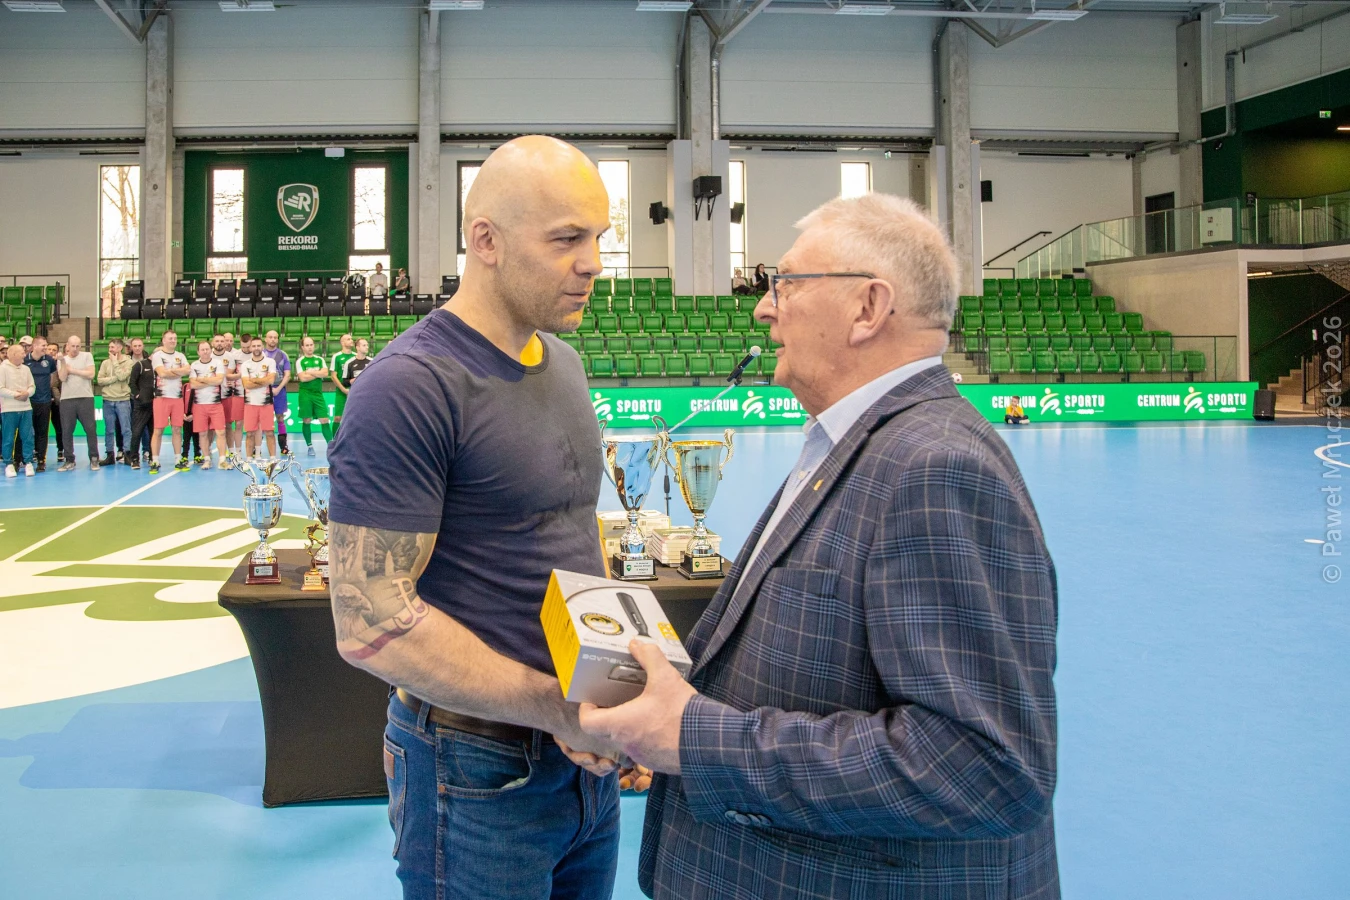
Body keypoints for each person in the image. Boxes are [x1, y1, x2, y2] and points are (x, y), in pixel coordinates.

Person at [576, 193, 1060, 900]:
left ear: (868, 307)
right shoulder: (857, 445)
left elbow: (982, 768)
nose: (763, 309)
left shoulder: (936, 467)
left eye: (786, 284)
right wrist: (655, 715)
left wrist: (694, 738)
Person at [327, 136, 633, 900]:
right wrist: (556, 707)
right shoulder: (409, 386)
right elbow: (369, 621)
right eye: (567, 239)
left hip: (582, 761)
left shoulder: (564, 363)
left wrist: (614, 689)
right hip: (473, 773)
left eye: (599, 238)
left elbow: (574, 533)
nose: (593, 263)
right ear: (486, 240)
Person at [150, 330, 191, 474]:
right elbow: (162, 373)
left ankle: (178, 460)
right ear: (164, 340)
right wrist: (178, 371)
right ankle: (155, 461)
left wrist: (171, 372)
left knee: (177, 429)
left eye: (175, 338)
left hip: (177, 398)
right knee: (158, 430)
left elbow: (187, 370)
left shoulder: (181, 355)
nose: (173, 340)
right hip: (161, 397)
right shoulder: (158, 356)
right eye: (170, 338)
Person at [56, 336, 99, 472]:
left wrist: (73, 370)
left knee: (90, 429)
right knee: (67, 431)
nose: (75, 349)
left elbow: (91, 374)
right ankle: (69, 460)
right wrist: (63, 363)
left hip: (85, 398)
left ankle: (94, 458)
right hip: (67, 399)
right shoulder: (62, 360)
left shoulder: (87, 356)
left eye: (78, 346)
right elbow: (62, 377)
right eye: (73, 346)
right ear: (67, 346)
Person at [188, 340, 227, 469]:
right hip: (199, 405)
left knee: (221, 432)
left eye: (207, 349)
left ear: (211, 350)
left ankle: (222, 460)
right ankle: (207, 460)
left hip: (215, 404)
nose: (205, 352)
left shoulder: (217, 363)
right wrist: (211, 380)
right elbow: (193, 384)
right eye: (202, 350)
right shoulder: (194, 365)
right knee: (203, 433)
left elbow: (219, 380)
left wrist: (202, 379)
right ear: (198, 352)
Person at [0, 342, 36, 477]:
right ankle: (8, 464)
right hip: (9, 410)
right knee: (8, 438)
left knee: (27, 437)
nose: (24, 355)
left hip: (26, 408)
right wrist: (16, 395)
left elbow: (32, 387)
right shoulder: (3, 369)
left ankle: (28, 462)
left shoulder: (26, 369)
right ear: (14, 354)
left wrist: (27, 393)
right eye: (22, 352)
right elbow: (1, 389)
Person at [97, 338, 134, 467]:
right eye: (109, 347)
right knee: (109, 430)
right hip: (108, 399)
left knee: (126, 429)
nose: (110, 349)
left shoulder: (128, 362)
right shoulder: (105, 363)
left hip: (123, 399)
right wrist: (114, 378)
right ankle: (109, 455)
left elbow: (123, 377)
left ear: (120, 348)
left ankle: (127, 454)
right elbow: (100, 380)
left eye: (112, 347)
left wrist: (115, 363)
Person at [239, 336, 278, 458]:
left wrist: (254, 380)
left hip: (266, 403)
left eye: (258, 345)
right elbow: (246, 384)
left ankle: (273, 459)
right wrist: (263, 380)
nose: (256, 348)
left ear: (262, 347)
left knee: (270, 433)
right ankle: (248, 460)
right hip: (250, 404)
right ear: (250, 348)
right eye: (254, 346)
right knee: (249, 434)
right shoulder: (245, 365)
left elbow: (271, 380)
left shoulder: (270, 362)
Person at [294, 336, 333, 456]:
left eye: (311, 345)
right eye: (307, 345)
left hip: (318, 394)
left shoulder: (320, 359)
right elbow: (303, 378)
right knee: (307, 420)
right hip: (305, 393)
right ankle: (310, 446)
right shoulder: (300, 361)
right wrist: (318, 373)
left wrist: (310, 372)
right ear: (302, 347)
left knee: (324, 419)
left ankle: (331, 447)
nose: (310, 347)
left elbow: (325, 373)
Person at [23, 336, 56, 472]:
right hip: (28, 402)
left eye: (46, 345)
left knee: (42, 432)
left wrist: (46, 392)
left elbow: (53, 378)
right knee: (25, 432)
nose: (45, 348)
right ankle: (21, 459)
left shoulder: (49, 360)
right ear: (35, 346)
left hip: (44, 402)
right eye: (43, 345)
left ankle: (41, 459)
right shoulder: (24, 360)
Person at [126, 338, 154, 470]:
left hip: (155, 404)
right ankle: (134, 459)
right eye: (135, 345)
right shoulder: (140, 365)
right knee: (137, 431)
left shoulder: (158, 367)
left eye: (139, 345)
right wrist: (138, 395)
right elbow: (132, 383)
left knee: (154, 432)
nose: (137, 348)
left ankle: (153, 457)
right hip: (141, 405)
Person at [262, 330, 292, 455]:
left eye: (275, 337)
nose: (273, 339)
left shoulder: (283, 355)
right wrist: (267, 388)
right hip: (263, 390)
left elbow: (287, 375)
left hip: (279, 389)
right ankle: (256, 448)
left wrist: (278, 389)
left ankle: (283, 447)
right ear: (265, 339)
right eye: (270, 337)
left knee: (280, 417)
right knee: (261, 419)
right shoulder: (260, 354)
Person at [218, 333, 245, 458]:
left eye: (230, 340)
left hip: (230, 394)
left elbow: (233, 373)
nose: (228, 342)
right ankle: (207, 453)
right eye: (226, 340)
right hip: (214, 395)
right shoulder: (211, 354)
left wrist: (232, 380)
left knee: (230, 424)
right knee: (212, 428)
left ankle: (232, 451)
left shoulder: (234, 356)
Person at [329, 333, 356, 434]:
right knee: (337, 418)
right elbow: (333, 376)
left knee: (354, 418)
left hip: (354, 392)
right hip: (341, 391)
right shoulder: (336, 357)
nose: (351, 340)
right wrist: (343, 389)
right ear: (342, 342)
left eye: (351, 339)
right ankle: (335, 440)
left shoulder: (356, 356)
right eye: (348, 339)